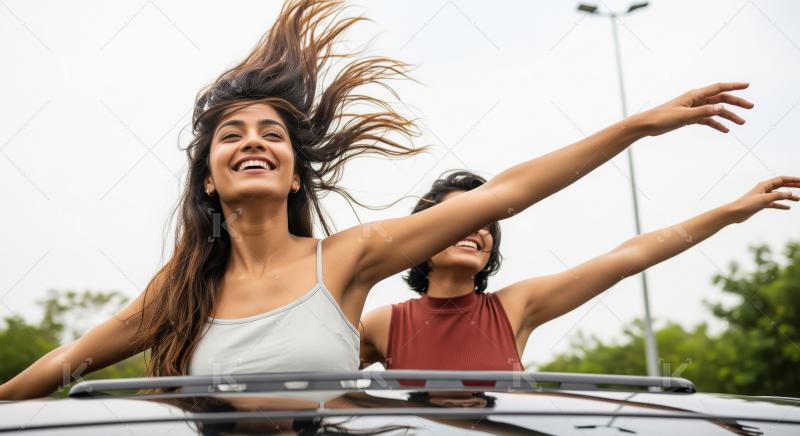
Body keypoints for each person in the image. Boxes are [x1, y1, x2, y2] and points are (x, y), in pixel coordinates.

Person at [0, 0, 754, 400]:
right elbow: (68, 364)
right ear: (209, 176)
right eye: (231, 134)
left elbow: (509, 193)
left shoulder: (353, 258)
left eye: (272, 132)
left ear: (296, 173)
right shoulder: (182, 286)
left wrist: (638, 124)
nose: (253, 140)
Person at [359, 171, 799, 371]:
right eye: (457, 218)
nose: (476, 228)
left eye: (486, 223)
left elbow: (627, 257)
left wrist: (732, 212)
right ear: (424, 236)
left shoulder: (516, 306)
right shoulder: (384, 323)